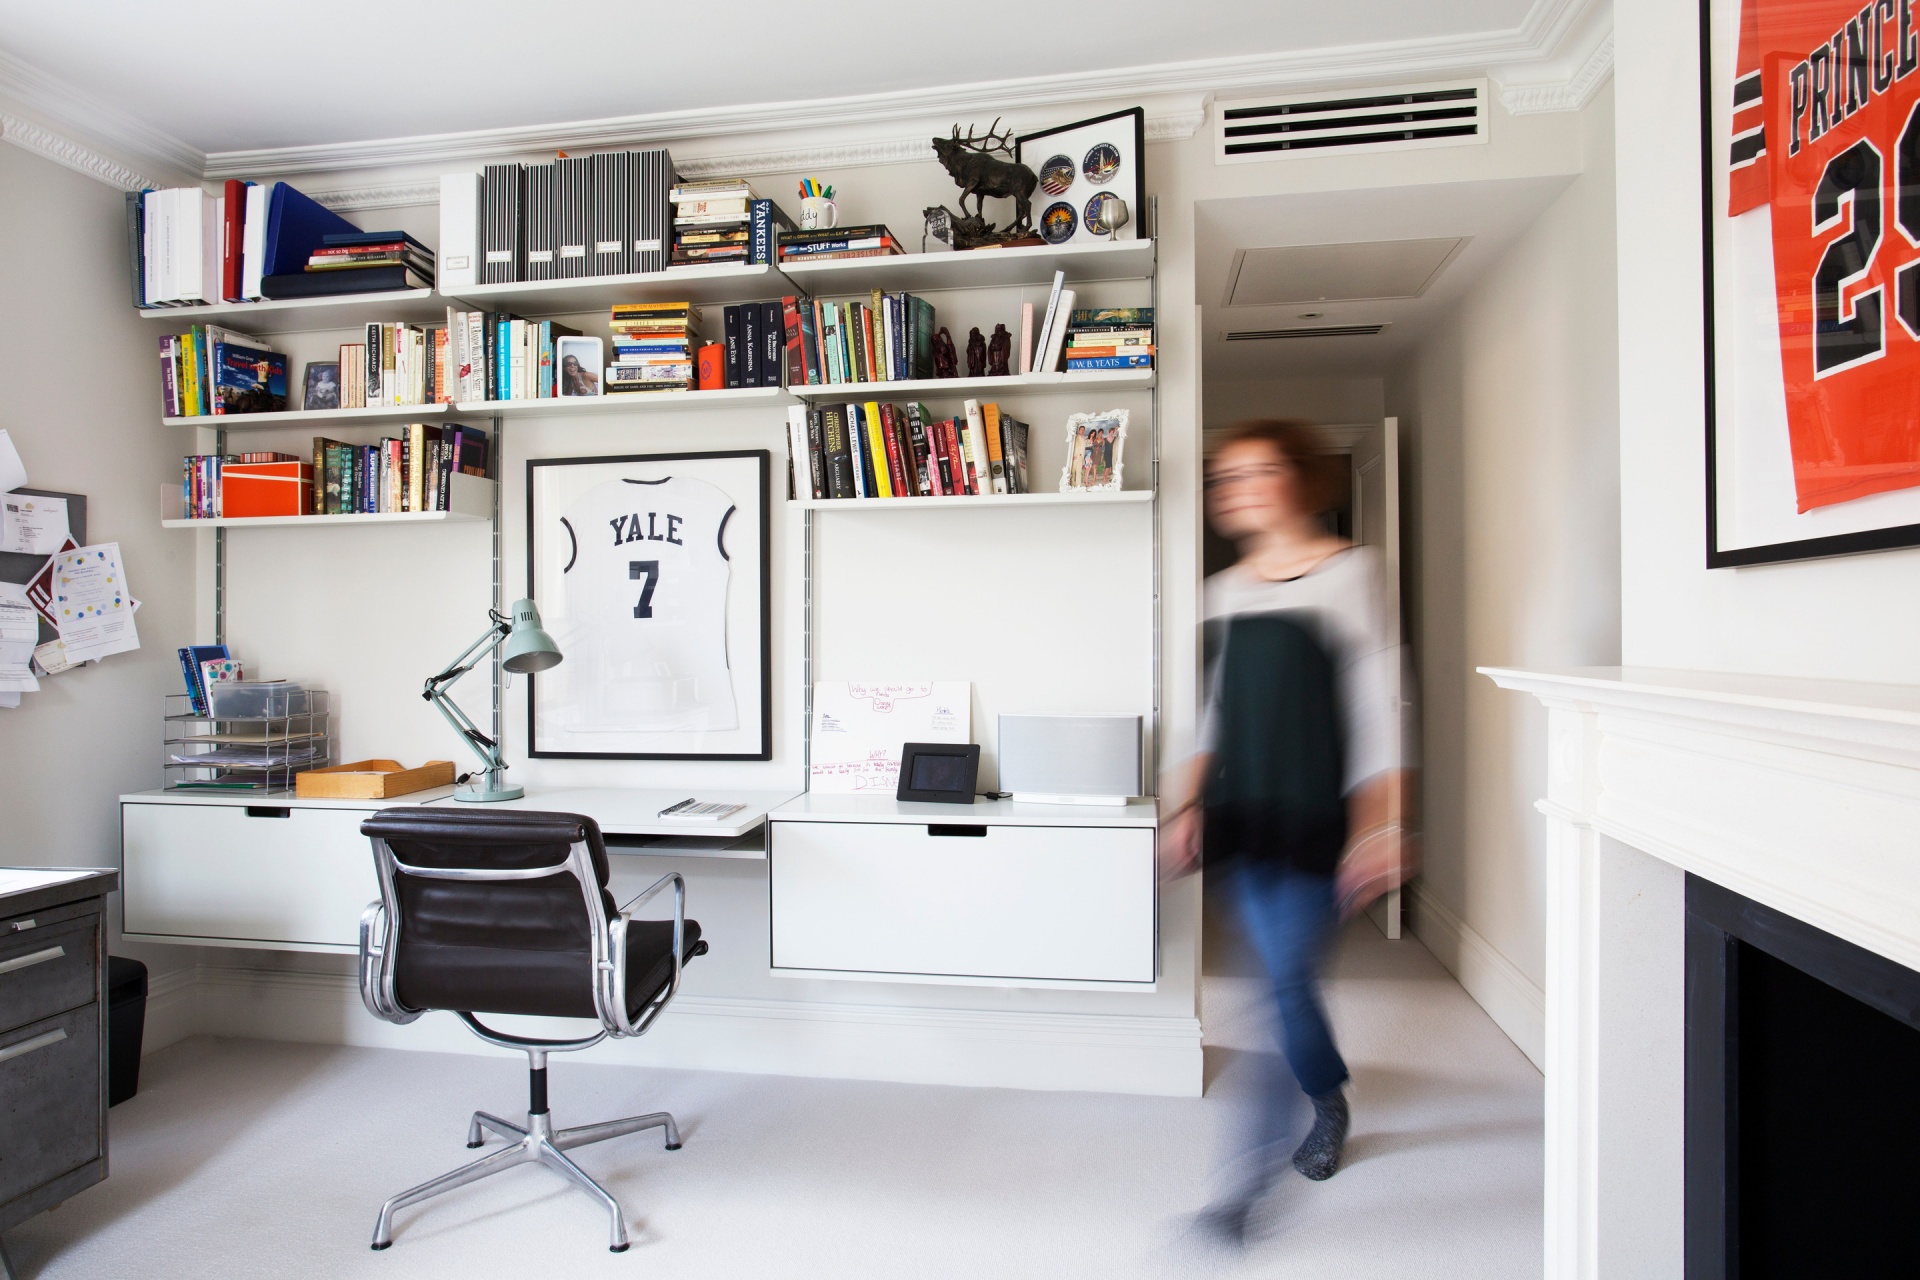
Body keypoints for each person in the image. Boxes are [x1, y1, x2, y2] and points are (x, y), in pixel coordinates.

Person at [1162, 419, 1416, 1234]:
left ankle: (1240, 1191)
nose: (1238, 491)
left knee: (1280, 990)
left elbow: (1381, 712)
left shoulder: (1354, 573)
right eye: (1225, 480)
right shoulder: (1221, 592)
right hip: (1244, 821)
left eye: (1257, 472)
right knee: (1281, 985)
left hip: (1319, 822)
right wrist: (1182, 809)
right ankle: (1327, 1090)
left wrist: (1383, 826)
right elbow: (1209, 719)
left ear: (1301, 479)